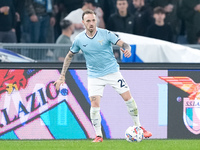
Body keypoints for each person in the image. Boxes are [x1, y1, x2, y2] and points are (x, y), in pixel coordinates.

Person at [54, 9, 152, 142]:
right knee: (94, 104)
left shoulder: (106, 34)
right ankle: (98, 135)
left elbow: (124, 44)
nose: (91, 23)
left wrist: (126, 49)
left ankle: (139, 127)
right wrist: (62, 76)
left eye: (93, 20)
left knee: (128, 98)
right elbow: (69, 56)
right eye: (88, 21)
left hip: (112, 72)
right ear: (83, 23)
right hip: (94, 76)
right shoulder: (79, 39)